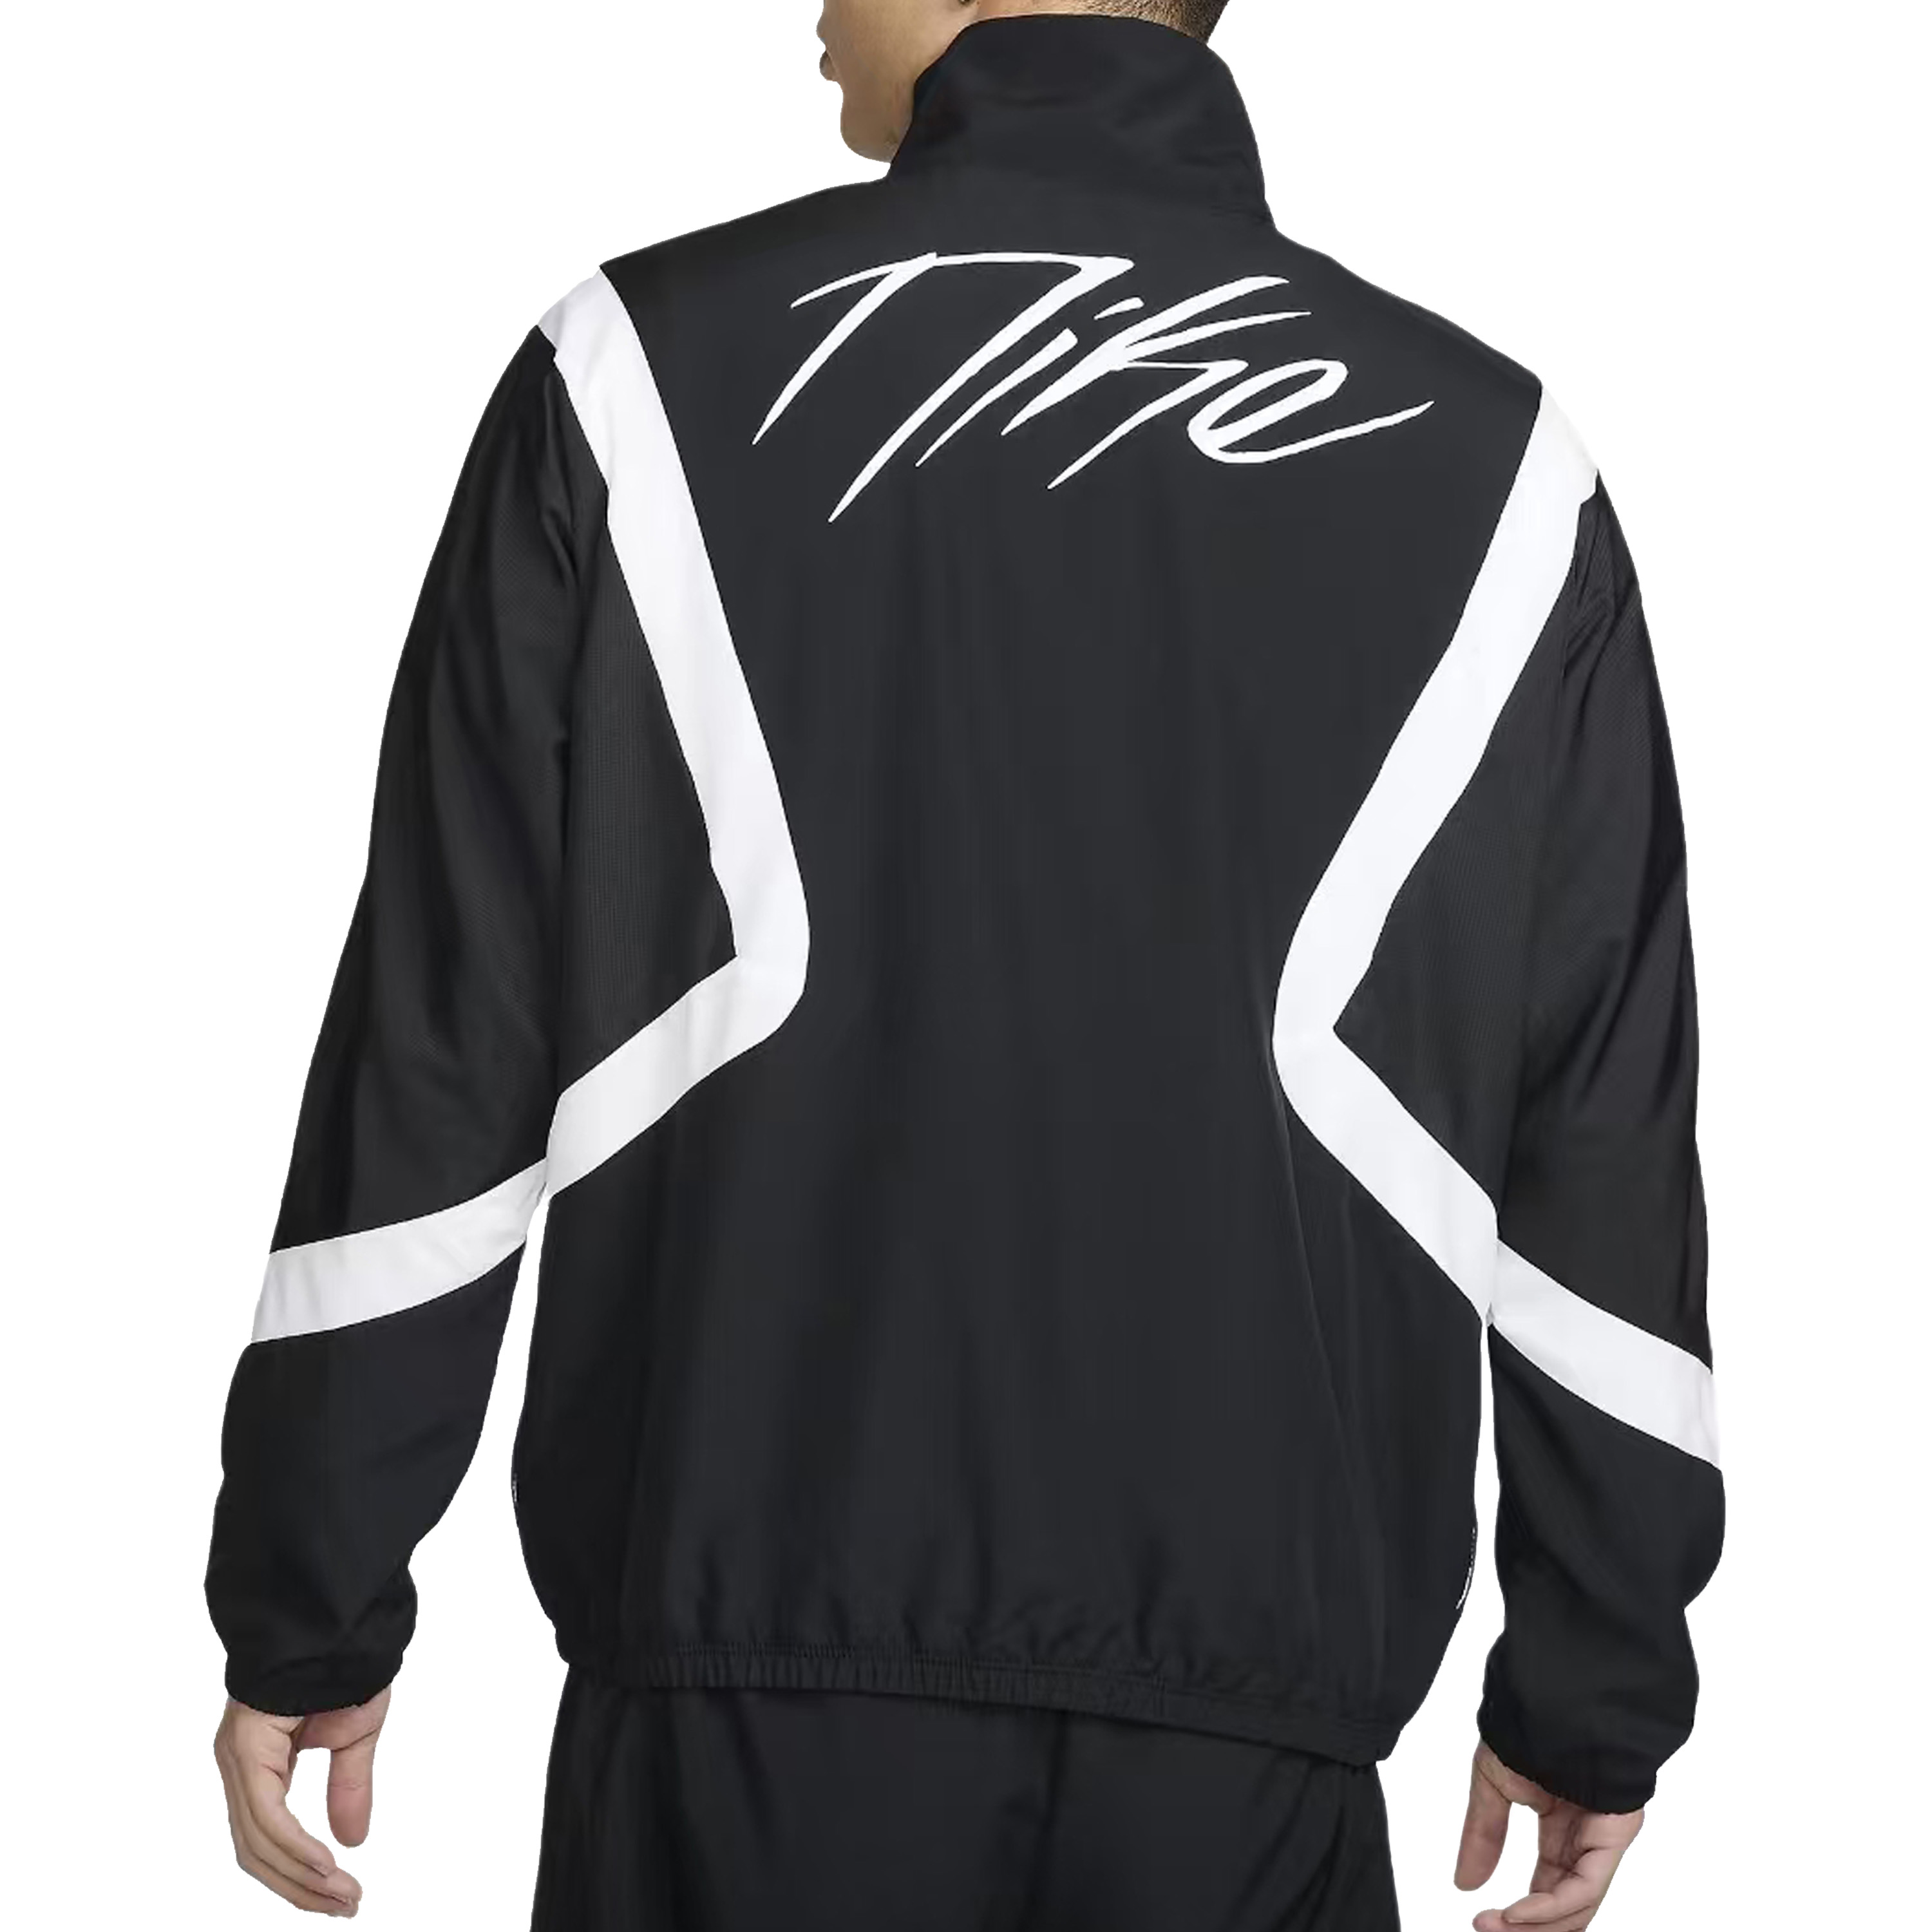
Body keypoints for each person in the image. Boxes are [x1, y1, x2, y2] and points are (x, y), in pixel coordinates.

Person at [207, 3, 1723, 1927]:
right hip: (1250, 1749)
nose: (810, 12)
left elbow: (441, 1048)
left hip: (743, 1709)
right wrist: (1596, 1676)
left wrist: (313, 1590)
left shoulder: (636, 368)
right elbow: (1604, 1132)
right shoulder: (1503, 462)